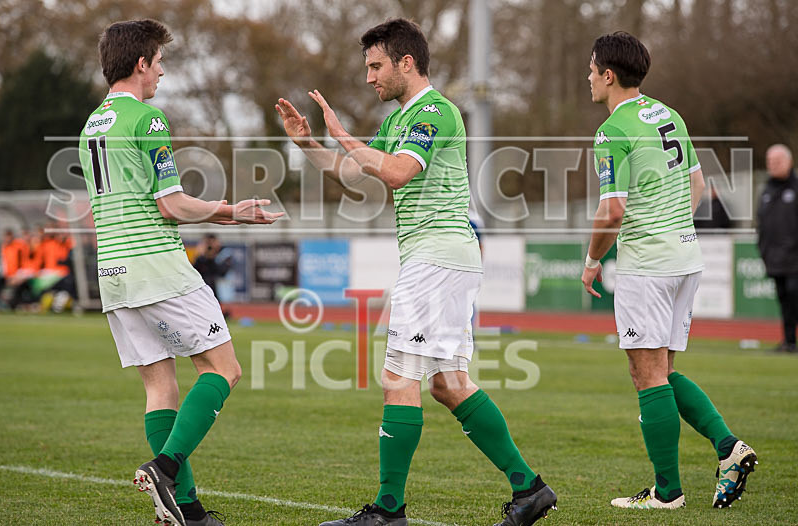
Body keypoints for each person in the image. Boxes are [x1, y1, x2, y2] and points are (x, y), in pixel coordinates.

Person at [276, 18, 557, 526]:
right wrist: (310, 144)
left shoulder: (435, 112)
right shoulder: (399, 120)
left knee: (397, 379)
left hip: (437, 259)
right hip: (440, 260)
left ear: (407, 62)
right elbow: (355, 173)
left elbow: (399, 172)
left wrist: (341, 132)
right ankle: (529, 489)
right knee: (449, 384)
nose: (369, 77)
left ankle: (388, 512)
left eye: (376, 65)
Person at [78, 19, 282, 526]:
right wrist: (233, 211)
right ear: (141, 63)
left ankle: (186, 511)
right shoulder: (146, 119)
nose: (163, 71)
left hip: (115, 274)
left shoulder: (90, 127)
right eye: (159, 61)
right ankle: (165, 468)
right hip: (156, 265)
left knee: (159, 388)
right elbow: (170, 205)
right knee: (224, 369)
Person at [581, 31, 757, 510]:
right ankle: (728, 449)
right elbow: (697, 183)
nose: (588, 76)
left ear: (609, 75)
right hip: (685, 258)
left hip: (647, 264)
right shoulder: (668, 114)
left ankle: (667, 492)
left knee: (647, 374)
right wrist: (673, 224)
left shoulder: (612, 131)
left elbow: (612, 212)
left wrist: (594, 260)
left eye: (592, 68)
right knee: (663, 371)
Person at [757, 144, 798, 353]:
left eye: (778, 161)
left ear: (789, 162)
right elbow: (762, 224)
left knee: (794, 297)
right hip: (775, 259)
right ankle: (789, 341)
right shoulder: (767, 190)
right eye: (770, 162)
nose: (773, 165)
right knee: (784, 301)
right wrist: (763, 251)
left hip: (795, 260)